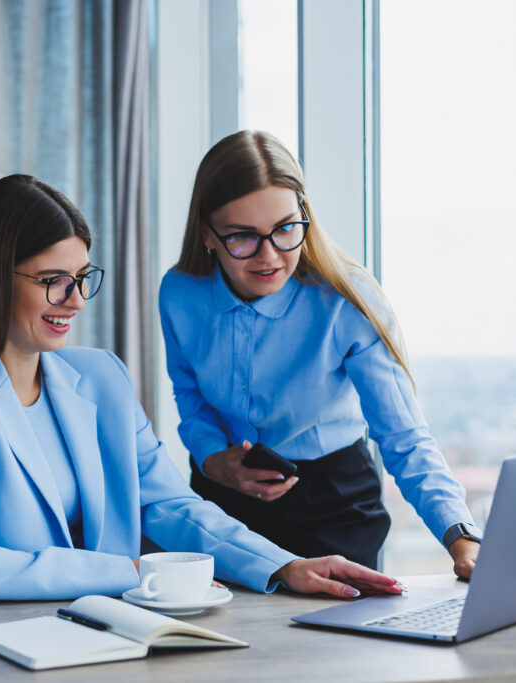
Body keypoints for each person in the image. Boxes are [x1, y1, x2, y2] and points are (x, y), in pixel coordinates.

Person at [0, 173, 403, 602]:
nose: (76, 300)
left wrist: (284, 565)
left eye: (83, 277)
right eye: (53, 280)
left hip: (111, 636)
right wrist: (127, 572)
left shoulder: (100, 376)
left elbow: (170, 505)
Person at [159, 130, 481, 578]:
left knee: (327, 643)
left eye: (285, 228)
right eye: (242, 237)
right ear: (207, 234)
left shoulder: (346, 299)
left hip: (334, 505)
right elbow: (190, 397)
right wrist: (215, 460)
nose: (269, 255)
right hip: (222, 501)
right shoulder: (179, 293)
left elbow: (404, 437)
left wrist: (461, 536)